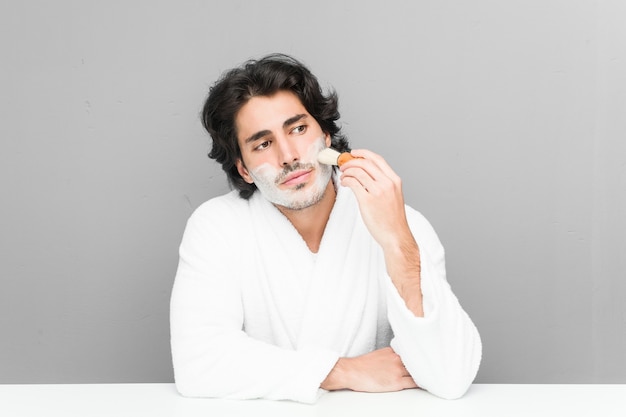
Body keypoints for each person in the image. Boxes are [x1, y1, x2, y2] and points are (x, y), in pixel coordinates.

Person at [170, 53, 482, 403]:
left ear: (327, 136)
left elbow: (451, 375)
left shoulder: (403, 224)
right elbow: (198, 362)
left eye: (299, 129)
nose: (288, 155)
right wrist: (342, 371)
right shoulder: (216, 228)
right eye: (263, 143)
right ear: (243, 168)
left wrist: (397, 242)